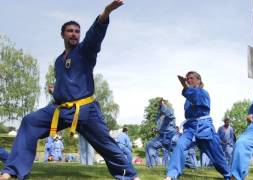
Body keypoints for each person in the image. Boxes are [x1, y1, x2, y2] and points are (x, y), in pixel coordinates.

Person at [0, 1, 140, 179]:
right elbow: (67, 83)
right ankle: (13, 171)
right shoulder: (59, 61)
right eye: (70, 31)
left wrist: (106, 12)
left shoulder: (85, 51)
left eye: (77, 31)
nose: (74, 34)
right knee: (29, 122)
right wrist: (56, 91)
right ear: (62, 35)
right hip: (62, 109)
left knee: (106, 145)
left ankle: (131, 176)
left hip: (86, 110)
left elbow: (94, 34)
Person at [164, 71, 230, 180]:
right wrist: (186, 88)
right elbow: (190, 103)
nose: (189, 80)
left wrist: (185, 86)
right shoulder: (188, 96)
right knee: (179, 145)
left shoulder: (203, 93)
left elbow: (195, 98)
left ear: (199, 80)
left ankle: (228, 175)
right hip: (190, 128)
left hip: (204, 128)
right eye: (187, 79)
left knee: (217, 156)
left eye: (191, 78)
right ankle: (171, 175)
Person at [145, 98, 176, 167]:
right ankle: (150, 165)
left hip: (171, 137)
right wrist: (156, 130)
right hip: (161, 137)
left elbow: (169, 114)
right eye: (159, 105)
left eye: (160, 104)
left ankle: (189, 165)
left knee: (178, 151)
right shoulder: (159, 115)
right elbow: (160, 126)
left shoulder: (169, 110)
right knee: (149, 145)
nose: (159, 106)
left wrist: (163, 105)